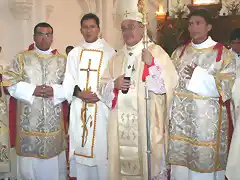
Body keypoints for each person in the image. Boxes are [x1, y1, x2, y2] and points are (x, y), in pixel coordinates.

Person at [98, 0, 178, 179]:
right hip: (119, 127)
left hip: (147, 124)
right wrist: (114, 85)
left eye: (131, 26)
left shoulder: (156, 52)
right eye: (124, 28)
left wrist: (153, 66)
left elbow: (169, 86)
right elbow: (101, 87)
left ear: (142, 27)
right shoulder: (116, 58)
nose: (127, 32)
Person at [167, 9, 235, 180]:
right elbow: (168, 82)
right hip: (181, 125)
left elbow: (226, 88)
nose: (193, 27)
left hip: (206, 127)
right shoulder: (179, 53)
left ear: (209, 27)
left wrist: (198, 75)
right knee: (182, 169)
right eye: (190, 24)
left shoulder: (223, 54)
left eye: (198, 23)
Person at [4, 22, 67, 180]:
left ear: (52, 37)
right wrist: (33, 90)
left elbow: (71, 86)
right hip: (28, 126)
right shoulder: (22, 58)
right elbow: (8, 81)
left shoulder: (62, 60)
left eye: (48, 34)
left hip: (53, 125)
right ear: (34, 37)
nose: (44, 38)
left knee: (53, 169)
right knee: (28, 169)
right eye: (40, 34)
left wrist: (54, 91)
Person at [63, 13, 115, 180]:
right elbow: (68, 80)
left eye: (92, 27)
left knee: (101, 151)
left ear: (98, 29)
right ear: (80, 30)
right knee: (81, 147)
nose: (88, 30)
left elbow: (113, 81)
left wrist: (99, 95)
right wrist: (80, 93)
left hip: (101, 108)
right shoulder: (74, 53)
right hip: (80, 107)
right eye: (85, 27)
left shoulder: (110, 53)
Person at [226, 28, 240, 180]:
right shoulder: (226, 55)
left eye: (239, 42)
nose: (236, 45)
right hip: (230, 102)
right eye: (234, 42)